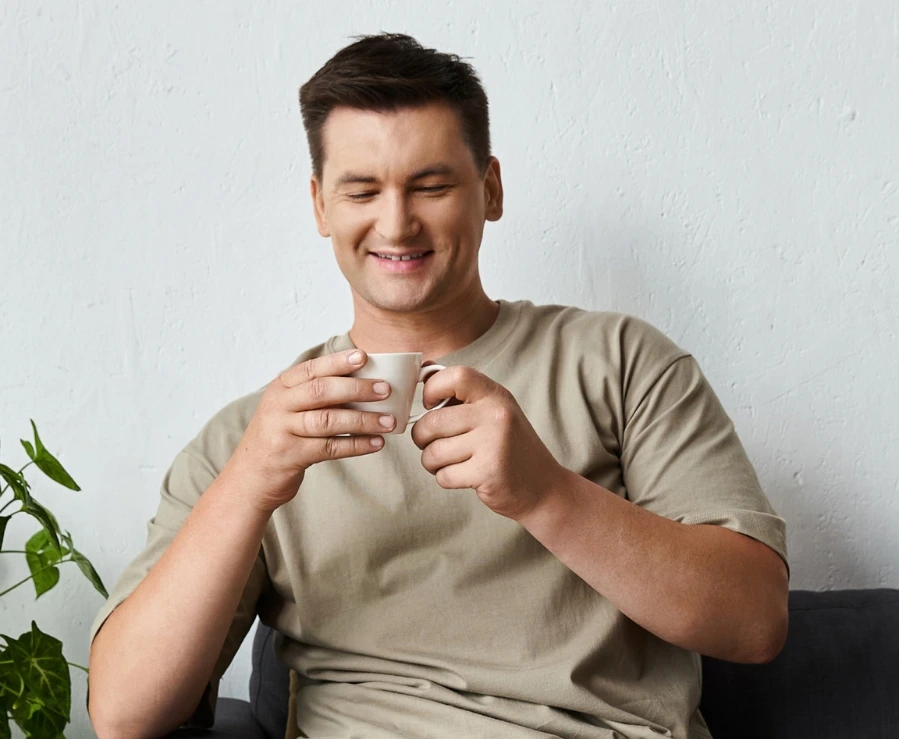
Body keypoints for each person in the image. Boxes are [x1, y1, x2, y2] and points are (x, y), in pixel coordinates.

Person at [88, 33, 789, 739]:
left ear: (489, 188)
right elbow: (122, 715)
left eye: (430, 185)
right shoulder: (255, 437)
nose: (396, 222)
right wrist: (247, 484)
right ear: (320, 207)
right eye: (361, 190)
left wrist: (546, 493)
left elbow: (755, 621)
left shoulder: (620, 361)